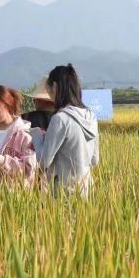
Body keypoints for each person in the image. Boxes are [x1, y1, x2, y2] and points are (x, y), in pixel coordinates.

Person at [36, 64, 99, 196]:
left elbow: (44, 161)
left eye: (48, 90)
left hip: (65, 191)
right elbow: (94, 160)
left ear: (55, 86)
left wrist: (37, 136)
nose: (49, 95)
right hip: (88, 189)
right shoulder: (91, 116)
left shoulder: (60, 119)